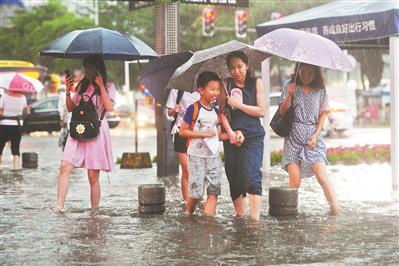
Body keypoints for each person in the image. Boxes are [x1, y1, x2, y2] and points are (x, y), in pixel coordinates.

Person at [55, 55, 116, 213]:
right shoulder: (81, 85)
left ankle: (94, 211)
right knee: (64, 166)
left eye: (90, 67)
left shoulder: (109, 85)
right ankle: (59, 207)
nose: (87, 70)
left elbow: (109, 108)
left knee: (92, 176)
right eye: (85, 67)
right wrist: (68, 92)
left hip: (96, 131)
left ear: (98, 68)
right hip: (78, 130)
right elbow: (70, 108)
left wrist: (101, 85)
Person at [279, 62, 341, 215]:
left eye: (310, 73)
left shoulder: (320, 89)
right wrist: (289, 95)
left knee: (321, 176)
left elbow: (324, 113)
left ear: (315, 74)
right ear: (297, 71)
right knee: (294, 182)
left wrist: (316, 135)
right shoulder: (290, 84)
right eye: (303, 72)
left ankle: (336, 211)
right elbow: (282, 111)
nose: (306, 76)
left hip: (313, 137)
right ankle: (290, 214)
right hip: (293, 136)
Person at [219, 51, 266, 221]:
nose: (236, 71)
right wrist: (231, 134)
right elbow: (221, 114)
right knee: (234, 176)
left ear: (247, 65)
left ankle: (255, 221)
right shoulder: (225, 85)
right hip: (232, 138)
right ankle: (240, 217)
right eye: (232, 68)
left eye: (239, 66)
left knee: (252, 175)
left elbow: (261, 111)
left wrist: (238, 104)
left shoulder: (256, 83)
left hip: (253, 136)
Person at [179, 71, 225, 216]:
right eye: (212, 89)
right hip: (196, 155)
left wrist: (233, 136)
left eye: (217, 89)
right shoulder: (193, 109)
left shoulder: (217, 112)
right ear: (201, 90)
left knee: (214, 190)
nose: (215, 92)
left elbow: (218, 135)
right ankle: (189, 213)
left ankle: (207, 222)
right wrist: (203, 134)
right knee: (197, 192)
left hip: (214, 156)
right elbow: (183, 132)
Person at [166, 88, 200, 202]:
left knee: (196, 169)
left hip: (198, 132)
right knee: (186, 169)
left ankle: (196, 198)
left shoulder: (204, 89)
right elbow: (169, 113)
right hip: (181, 131)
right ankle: (187, 202)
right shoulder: (177, 90)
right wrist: (174, 110)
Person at [0, 90, 29, 170]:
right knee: (16, 147)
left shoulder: (4, 96)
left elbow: (0, 111)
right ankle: (16, 168)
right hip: (17, 125)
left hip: (4, 124)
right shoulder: (23, 97)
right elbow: (26, 110)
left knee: (0, 146)